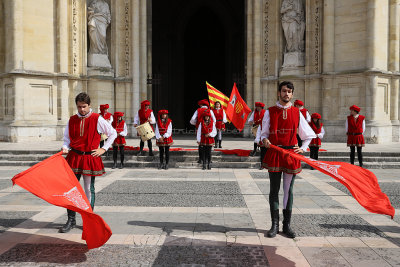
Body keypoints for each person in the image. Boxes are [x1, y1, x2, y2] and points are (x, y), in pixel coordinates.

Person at [261, 81, 316, 239]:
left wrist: (303, 148)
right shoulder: (269, 112)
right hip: (275, 152)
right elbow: (263, 133)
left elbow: (309, 134)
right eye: (284, 91)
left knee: (288, 190)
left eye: (289, 91)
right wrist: (264, 140)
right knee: (274, 190)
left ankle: (287, 225)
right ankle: (274, 225)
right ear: (279, 92)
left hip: (291, 154)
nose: (287, 94)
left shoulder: (296, 113)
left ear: (292, 94)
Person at [60, 92, 117, 233]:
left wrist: (103, 149)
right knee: (70, 189)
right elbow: (67, 138)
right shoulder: (72, 119)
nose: (82, 110)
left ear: (89, 105)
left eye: (84, 106)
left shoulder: (97, 119)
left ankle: (89, 220)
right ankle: (71, 220)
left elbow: (113, 133)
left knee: (88, 189)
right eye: (79, 107)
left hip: (89, 157)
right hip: (74, 157)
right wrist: (65, 147)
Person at [190, 99, 216, 163]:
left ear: (202, 105)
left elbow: (192, 119)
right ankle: (208, 159)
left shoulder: (198, 110)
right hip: (209, 130)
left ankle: (200, 159)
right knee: (209, 145)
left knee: (200, 144)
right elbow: (214, 120)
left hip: (200, 128)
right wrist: (211, 125)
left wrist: (196, 124)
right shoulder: (210, 111)